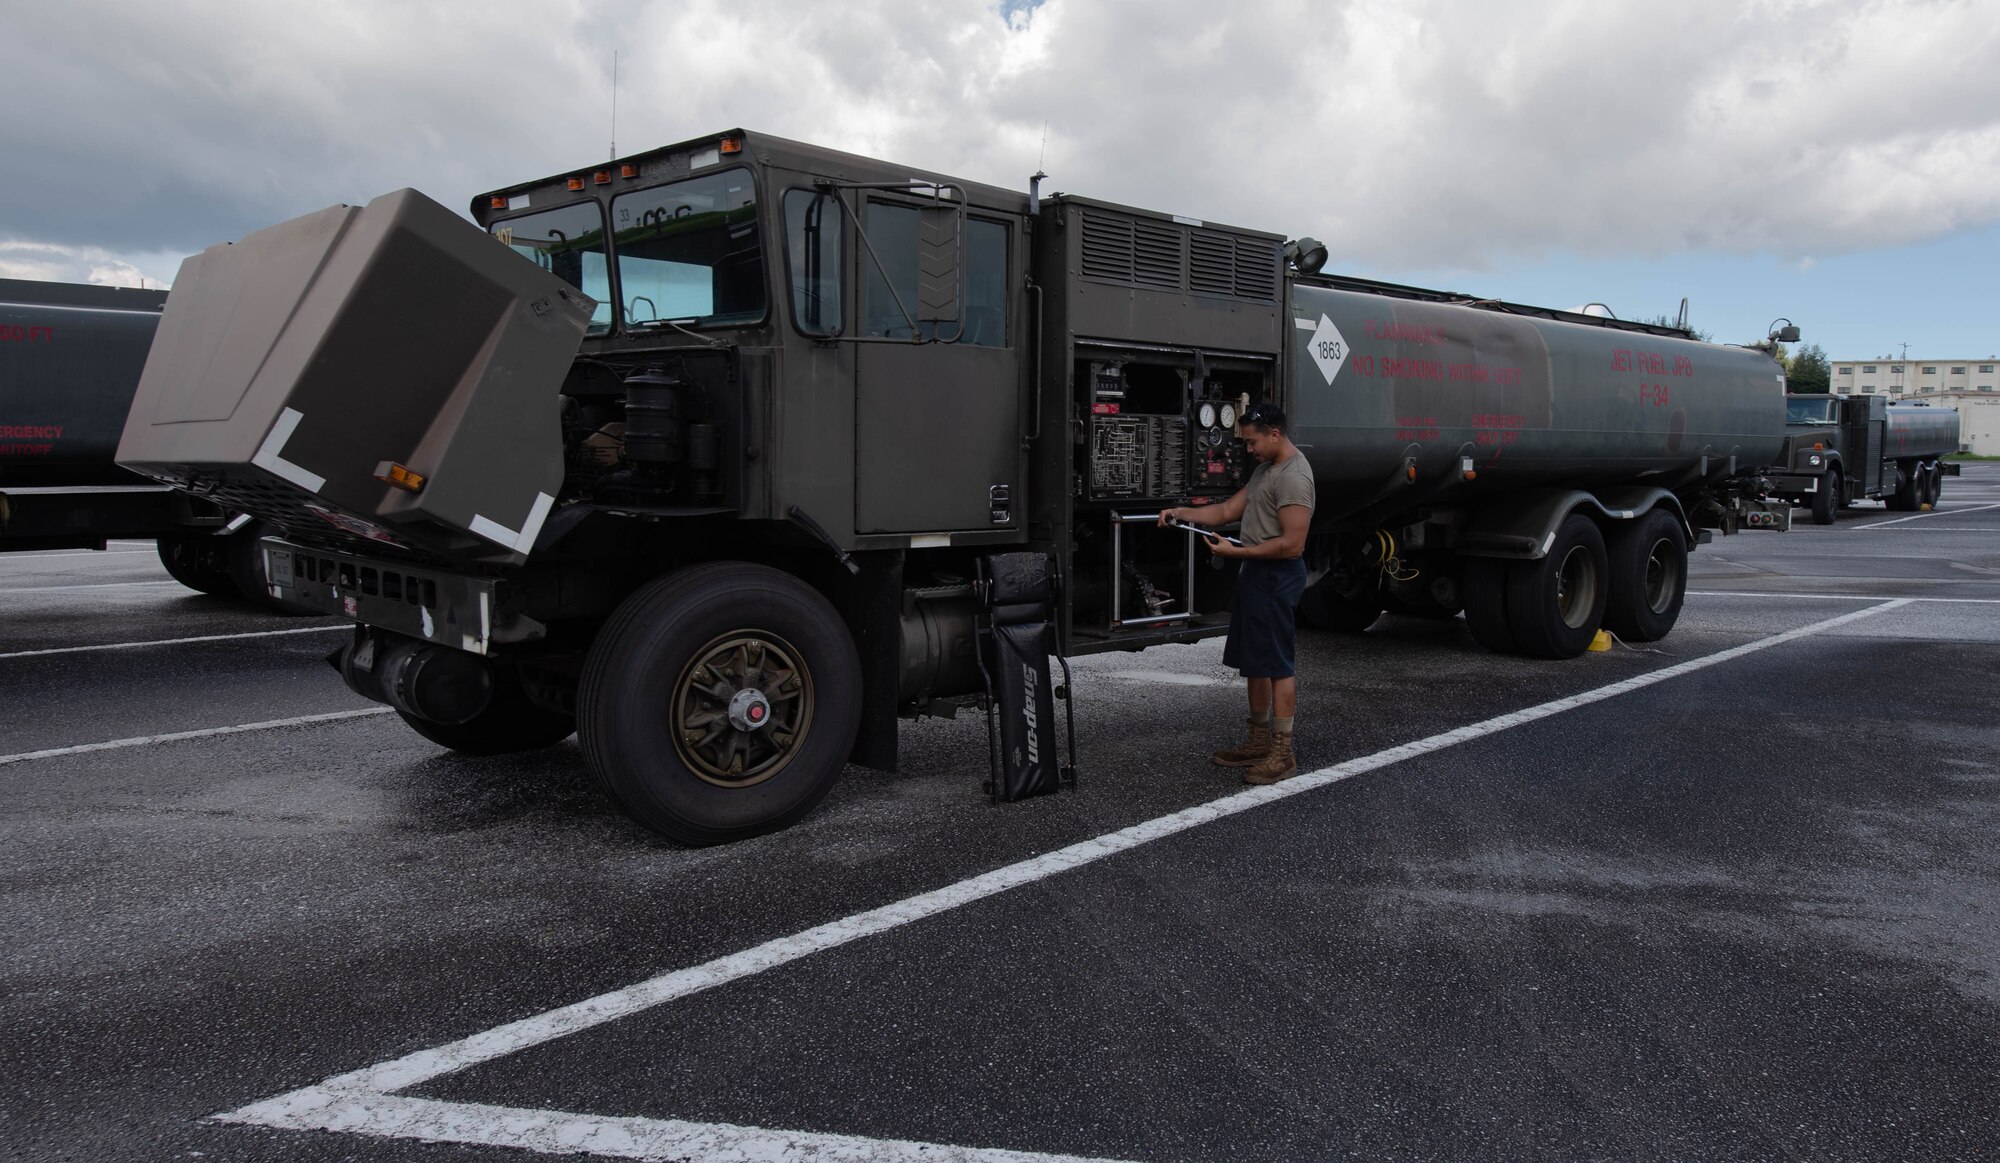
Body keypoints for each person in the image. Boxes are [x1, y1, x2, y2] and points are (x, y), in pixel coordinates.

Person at [1159, 401, 1315, 784]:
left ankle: (1283, 753)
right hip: (1256, 573)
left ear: (1274, 434)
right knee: (1256, 660)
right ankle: (1259, 741)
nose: (1248, 450)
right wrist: (1181, 511)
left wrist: (1237, 552)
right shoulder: (1266, 471)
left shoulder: (1294, 476)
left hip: (1276, 576)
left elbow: (1292, 545)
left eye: (1252, 442)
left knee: (1277, 663)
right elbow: (1228, 509)